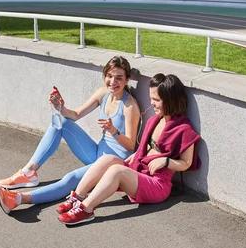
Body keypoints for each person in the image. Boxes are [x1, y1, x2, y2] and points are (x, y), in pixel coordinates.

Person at [0, 55, 141, 214]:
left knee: (70, 179)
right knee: (61, 121)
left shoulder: (130, 106)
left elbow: (131, 145)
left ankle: (18, 199)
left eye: (119, 78)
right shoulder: (103, 93)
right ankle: (28, 173)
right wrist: (61, 106)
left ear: (127, 80)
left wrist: (114, 131)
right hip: (97, 153)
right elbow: (76, 114)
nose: (113, 82)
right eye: (109, 76)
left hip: (113, 164)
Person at [57, 73, 201, 225]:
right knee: (108, 159)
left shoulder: (184, 129)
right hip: (141, 171)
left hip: (158, 184)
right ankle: (78, 197)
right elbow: (145, 148)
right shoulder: (155, 120)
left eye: (157, 100)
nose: (152, 103)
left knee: (116, 171)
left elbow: (186, 163)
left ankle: (86, 209)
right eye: (151, 98)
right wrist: (137, 155)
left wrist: (166, 161)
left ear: (171, 100)